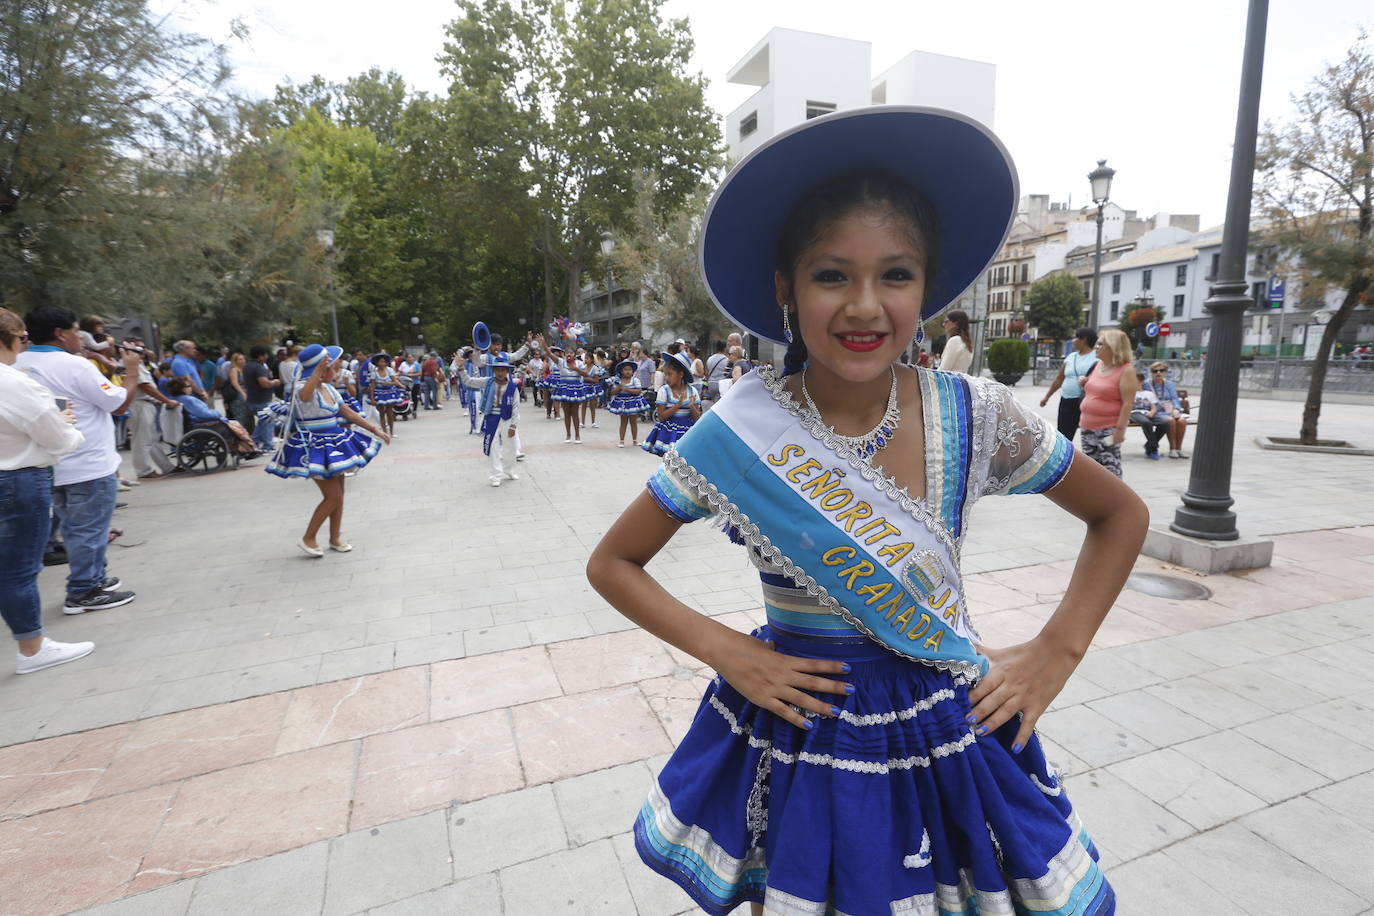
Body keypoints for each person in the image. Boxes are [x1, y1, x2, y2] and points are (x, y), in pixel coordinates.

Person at [586, 107, 1142, 916]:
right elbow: (611, 563)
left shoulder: (975, 414)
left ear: (928, 286)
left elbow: (1119, 514)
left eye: (896, 275)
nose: (864, 305)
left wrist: (1056, 651)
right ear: (785, 288)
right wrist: (728, 652)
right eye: (831, 275)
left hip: (945, 733)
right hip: (802, 733)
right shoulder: (737, 433)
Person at [16, 306, 141, 614]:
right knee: (88, 529)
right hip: (87, 462)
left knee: (74, 527)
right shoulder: (73, 366)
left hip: (48, 463)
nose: (81, 338)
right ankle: (83, 590)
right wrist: (133, 370)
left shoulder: (17, 363)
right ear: (60, 334)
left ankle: (93, 578)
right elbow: (118, 403)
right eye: (76, 331)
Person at [0, 308, 97, 673]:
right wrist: (67, 425)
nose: (24, 345)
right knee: (18, 570)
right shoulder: (11, 381)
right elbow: (57, 438)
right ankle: (32, 647)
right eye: (22, 338)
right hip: (17, 478)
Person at [266, 345, 389, 555]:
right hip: (314, 446)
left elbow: (348, 413)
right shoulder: (302, 388)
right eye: (332, 367)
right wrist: (316, 371)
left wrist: (374, 429)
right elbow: (305, 397)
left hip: (335, 442)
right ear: (321, 369)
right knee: (333, 497)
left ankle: (335, 537)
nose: (336, 370)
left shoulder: (330, 389)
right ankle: (308, 537)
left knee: (339, 495)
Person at [1078, 327, 1137, 478]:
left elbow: (1128, 403)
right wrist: (1085, 382)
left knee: (1111, 471)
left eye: (1100, 344)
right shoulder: (1099, 365)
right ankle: (1096, 499)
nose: (1096, 347)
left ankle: (1115, 500)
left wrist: (1120, 430)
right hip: (1087, 427)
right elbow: (1099, 391)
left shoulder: (1126, 370)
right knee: (1092, 470)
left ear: (1113, 347)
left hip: (1107, 429)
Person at [457, 353, 521, 486]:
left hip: (507, 418)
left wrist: (513, 425)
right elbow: (469, 381)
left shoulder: (513, 387)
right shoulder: (487, 381)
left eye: (503, 369)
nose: (500, 372)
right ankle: (496, 475)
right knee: (493, 446)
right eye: (497, 369)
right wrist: (461, 368)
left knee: (511, 446)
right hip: (491, 417)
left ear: (507, 371)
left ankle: (509, 469)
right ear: (493, 370)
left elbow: (516, 407)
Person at [127, 337, 181, 479]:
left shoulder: (140, 364)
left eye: (143, 347)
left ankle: (166, 466)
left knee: (152, 439)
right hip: (139, 404)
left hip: (147, 404)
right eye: (138, 348)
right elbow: (145, 386)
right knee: (141, 439)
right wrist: (166, 400)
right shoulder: (132, 365)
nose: (142, 351)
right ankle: (143, 470)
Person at [167, 379, 260, 456]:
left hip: (194, 424)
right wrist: (217, 413)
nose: (190, 388)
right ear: (183, 389)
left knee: (234, 425)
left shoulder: (176, 399)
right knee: (234, 426)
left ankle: (245, 449)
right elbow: (204, 414)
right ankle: (247, 449)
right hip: (202, 424)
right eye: (188, 386)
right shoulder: (189, 400)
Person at [1039, 328, 1100, 441]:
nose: (1073, 340)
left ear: (1084, 340)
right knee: (1063, 436)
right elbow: (1059, 379)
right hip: (1067, 401)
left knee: (1090, 436)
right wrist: (1047, 397)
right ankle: (1063, 458)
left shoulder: (1097, 357)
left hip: (1087, 402)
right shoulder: (1071, 357)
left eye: (1075, 337)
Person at [641, 350, 700, 455]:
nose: (666, 378)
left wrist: (691, 406)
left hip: (687, 433)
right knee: (669, 463)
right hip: (669, 433)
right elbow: (661, 417)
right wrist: (677, 405)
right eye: (665, 374)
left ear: (681, 374)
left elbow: (697, 418)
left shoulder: (692, 391)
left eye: (670, 374)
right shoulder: (664, 391)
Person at [549, 343, 592, 443]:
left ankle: (577, 435)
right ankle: (568, 435)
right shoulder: (561, 362)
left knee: (575, 413)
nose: (569, 354)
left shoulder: (579, 363)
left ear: (574, 354)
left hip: (575, 388)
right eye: (567, 352)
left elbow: (586, 374)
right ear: (564, 354)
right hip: (564, 389)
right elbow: (550, 355)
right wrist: (544, 345)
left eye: (571, 353)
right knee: (566, 413)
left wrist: (575, 368)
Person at [1146, 362, 1189, 458]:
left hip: (1170, 411)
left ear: (1165, 372)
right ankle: (1172, 449)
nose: (1158, 373)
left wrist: (1176, 409)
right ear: (1151, 372)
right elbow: (1145, 400)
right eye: (1155, 371)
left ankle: (1179, 449)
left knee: (1182, 421)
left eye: (1161, 370)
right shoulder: (1147, 384)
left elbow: (1174, 398)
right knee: (1171, 421)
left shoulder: (1169, 384)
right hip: (1156, 412)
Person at [243, 345, 282, 452]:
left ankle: (253, 442)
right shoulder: (259, 367)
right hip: (262, 400)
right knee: (268, 423)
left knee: (262, 423)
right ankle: (267, 446)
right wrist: (274, 382)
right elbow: (264, 383)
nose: (267, 356)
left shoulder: (247, 366)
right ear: (260, 356)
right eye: (265, 354)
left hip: (251, 399)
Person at [607, 358, 648, 448]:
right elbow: (613, 392)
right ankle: (621, 440)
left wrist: (626, 389)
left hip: (633, 403)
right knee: (623, 422)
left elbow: (638, 391)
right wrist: (619, 388)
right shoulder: (618, 381)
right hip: (622, 403)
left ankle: (635, 440)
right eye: (625, 369)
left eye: (630, 369)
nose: (628, 371)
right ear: (621, 371)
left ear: (633, 371)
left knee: (633, 422)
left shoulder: (635, 380)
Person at [1128, 369, 1169, 460]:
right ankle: (1153, 449)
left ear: (1141, 381)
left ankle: (1148, 445)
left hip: (1148, 413)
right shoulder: (1129, 393)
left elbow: (1153, 407)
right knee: (1146, 423)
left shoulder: (1149, 393)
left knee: (1165, 423)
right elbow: (1126, 407)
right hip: (1135, 413)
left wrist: (1152, 412)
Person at [368, 355, 403, 438]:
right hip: (379, 393)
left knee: (390, 412)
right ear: (377, 363)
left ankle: (391, 431)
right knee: (381, 413)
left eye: (384, 361)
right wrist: (372, 398)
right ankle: (385, 432)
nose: (383, 363)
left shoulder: (390, 370)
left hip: (389, 392)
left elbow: (395, 381)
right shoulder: (374, 373)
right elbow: (372, 385)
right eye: (381, 361)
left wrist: (391, 383)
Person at [937, 309, 973, 374]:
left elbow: (944, 369)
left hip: (949, 382)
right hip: (960, 382)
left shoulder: (955, 341)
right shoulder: (966, 342)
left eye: (946, 321)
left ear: (956, 323)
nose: (944, 324)